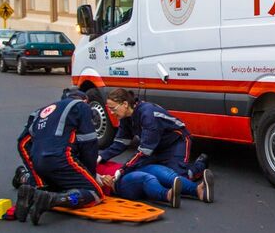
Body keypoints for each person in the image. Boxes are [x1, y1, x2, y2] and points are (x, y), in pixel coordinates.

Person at [101, 88, 214, 203]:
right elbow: (120, 143)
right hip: (155, 147)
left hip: (176, 142)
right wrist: (101, 157)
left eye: (113, 108)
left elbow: (145, 151)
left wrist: (122, 170)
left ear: (125, 104)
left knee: (179, 177)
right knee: (160, 174)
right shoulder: (125, 118)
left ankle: (200, 165)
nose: (111, 113)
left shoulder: (148, 114)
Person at [14, 87, 104, 225]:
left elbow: (22, 144)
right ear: (84, 100)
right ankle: (53, 200)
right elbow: (89, 144)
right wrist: (90, 174)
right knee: (94, 193)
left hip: (38, 161)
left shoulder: (39, 112)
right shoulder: (81, 107)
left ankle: (31, 189)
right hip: (62, 159)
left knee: (57, 186)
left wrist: (37, 180)